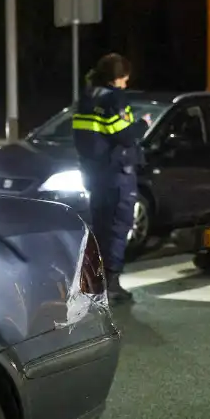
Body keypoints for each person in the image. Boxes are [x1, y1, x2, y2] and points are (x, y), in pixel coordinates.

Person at [73, 53, 150, 304]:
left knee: (99, 229)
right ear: (117, 78)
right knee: (117, 228)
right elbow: (124, 135)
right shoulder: (113, 99)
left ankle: (93, 282)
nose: (125, 84)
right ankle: (111, 284)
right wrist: (142, 124)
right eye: (124, 79)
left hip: (95, 175)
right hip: (116, 174)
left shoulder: (86, 99)